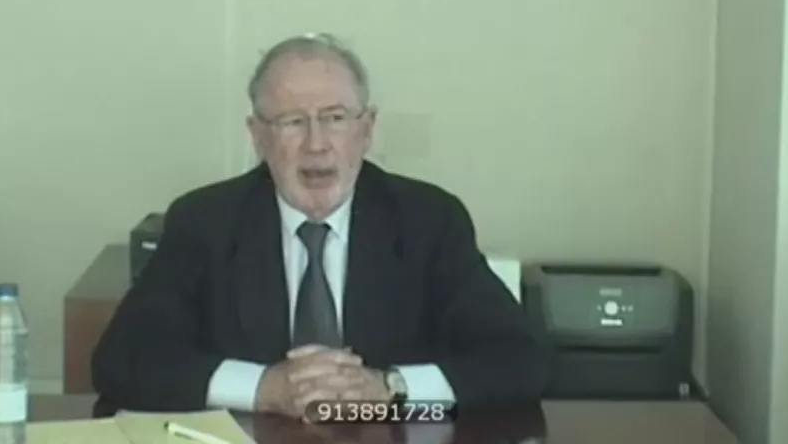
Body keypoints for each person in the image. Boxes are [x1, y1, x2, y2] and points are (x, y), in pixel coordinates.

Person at [91, 33, 545, 420]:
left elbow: (521, 360)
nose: (316, 144)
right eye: (292, 122)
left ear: (366, 129)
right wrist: (264, 388)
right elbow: (124, 360)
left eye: (335, 118)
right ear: (258, 136)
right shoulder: (205, 221)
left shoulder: (428, 220)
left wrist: (390, 389)